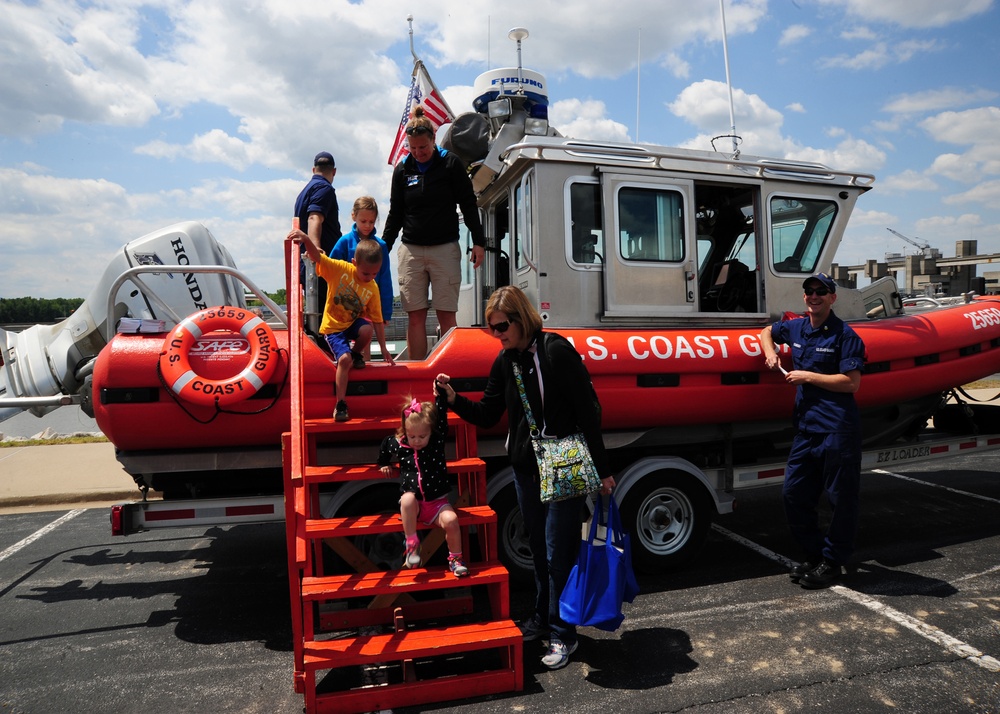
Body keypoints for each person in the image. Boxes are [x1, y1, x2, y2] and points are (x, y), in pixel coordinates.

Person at [435, 285, 615, 670]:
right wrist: (452, 399)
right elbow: (487, 413)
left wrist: (603, 470)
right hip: (526, 469)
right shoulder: (506, 362)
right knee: (538, 551)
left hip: (563, 466)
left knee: (557, 552)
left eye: (501, 327)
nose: (497, 336)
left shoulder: (556, 352)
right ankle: (542, 616)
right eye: (492, 330)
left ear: (520, 318)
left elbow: (588, 412)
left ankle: (562, 633)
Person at [758, 273, 865, 589]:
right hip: (806, 429)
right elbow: (766, 331)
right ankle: (815, 554)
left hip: (837, 429)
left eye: (821, 291)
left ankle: (832, 562)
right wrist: (770, 352)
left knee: (840, 500)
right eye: (809, 291)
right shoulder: (796, 327)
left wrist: (807, 377)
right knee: (793, 494)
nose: (814, 295)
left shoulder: (846, 336)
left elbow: (851, 383)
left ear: (833, 297)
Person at [382, 105, 486, 360]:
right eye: (413, 148)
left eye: (423, 148)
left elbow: (468, 204)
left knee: (446, 313)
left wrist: (479, 242)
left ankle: (448, 369)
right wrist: (382, 248)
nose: (418, 153)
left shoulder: (451, 164)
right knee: (415, 315)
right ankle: (418, 369)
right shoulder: (402, 170)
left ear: (433, 140)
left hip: (445, 248)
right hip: (412, 250)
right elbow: (396, 213)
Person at [287, 227, 395, 422]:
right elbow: (318, 258)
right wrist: (305, 239)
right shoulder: (340, 269)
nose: (369, 277)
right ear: (354, 263)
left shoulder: (372, 287)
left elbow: (377, 320)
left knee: (366, 329)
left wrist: (384, 349)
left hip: (351, 324)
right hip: (333, 327)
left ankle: (355, 354)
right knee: (343, 361)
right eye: (365, 273)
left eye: (374, 274)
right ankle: (341, 404)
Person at [377, 392, 468, 577]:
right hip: (414, 508)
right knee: (407, 499)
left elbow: (441, 420)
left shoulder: (435, 443)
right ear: (405, 432)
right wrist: (384, 463)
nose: (417, 441)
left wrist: (440, 393)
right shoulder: (400, 444)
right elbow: (386, 445)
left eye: (422, 436)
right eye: (412, 436)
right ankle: (412, 544)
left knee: (451, 521)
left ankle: (455, 559)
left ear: (431, 433)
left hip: (437, 503)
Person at [330, 196, 393, 365]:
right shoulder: (344, 243)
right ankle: (349, 361)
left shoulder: (381, 246)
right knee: (347, 335)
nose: (367, 226)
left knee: (367, 335)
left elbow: (385, 279)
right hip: (346, 302)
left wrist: (386, 311)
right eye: (363, 221)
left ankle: (363, 368)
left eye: (371, 222)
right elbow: (332, 269)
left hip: (369, 300)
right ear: (354, 217)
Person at [294, 151, 341, 332]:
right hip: (319, 266)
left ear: (314, 169)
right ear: (334, 172)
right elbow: (314, 218)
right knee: (324, 316)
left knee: (317, 315)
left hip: (307, 264)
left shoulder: (303, 192)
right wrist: (316, 251)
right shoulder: (324, 189)